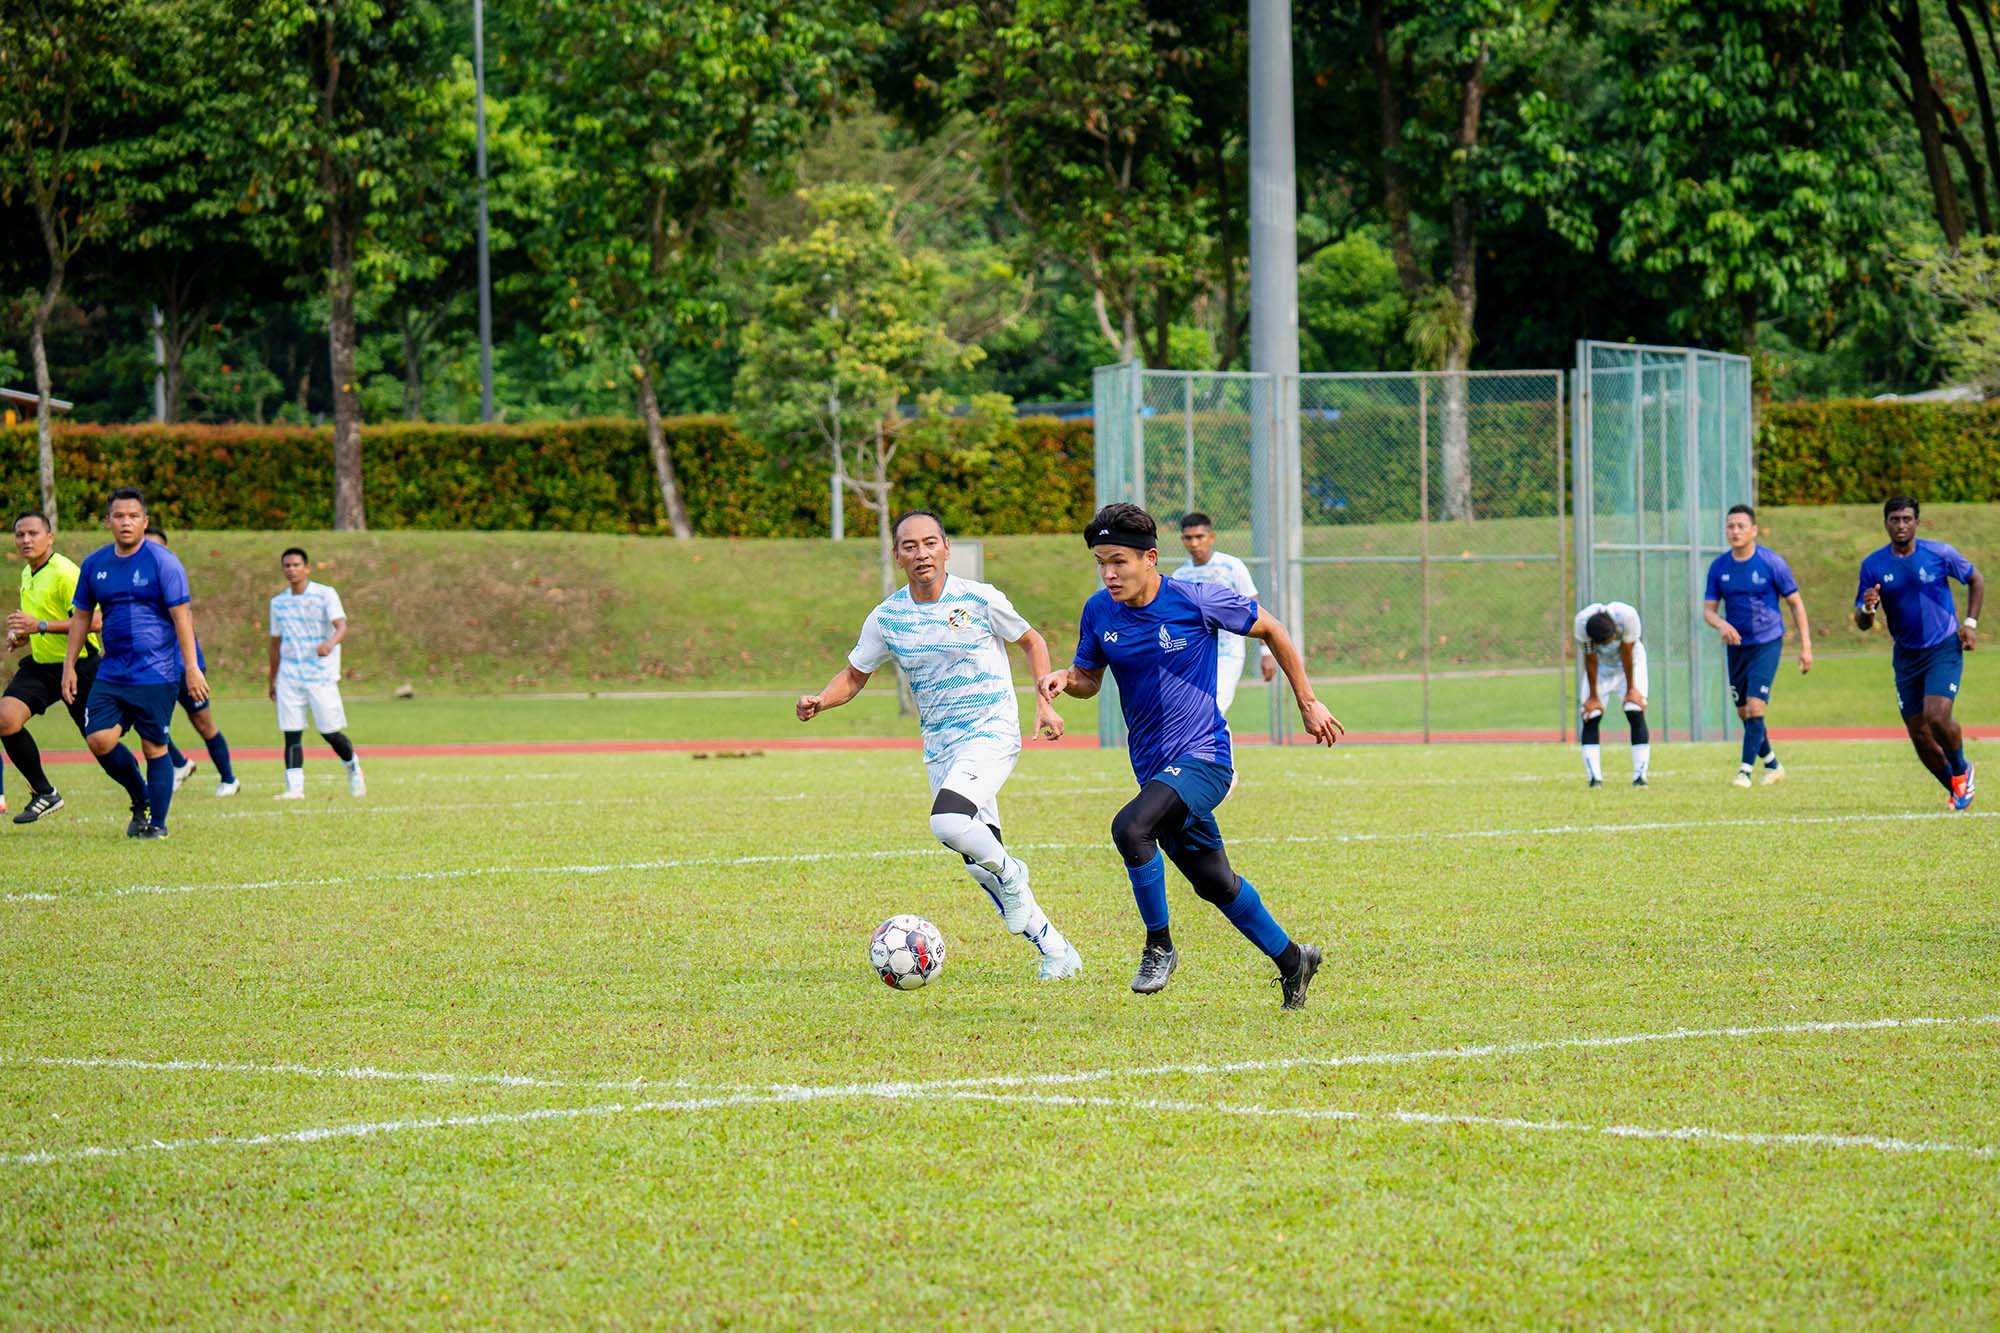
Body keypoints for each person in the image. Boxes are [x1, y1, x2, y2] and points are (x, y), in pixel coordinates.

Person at [1039, 502, 1342, 1009]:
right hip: (1155, 769)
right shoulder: (1098, 610)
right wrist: (1066, 680)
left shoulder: (1195, 599)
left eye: (1119, 561)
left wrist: (1307, 702)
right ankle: (1294, 960)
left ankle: (1159, 946)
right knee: (1215, 883)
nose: (1109, 573)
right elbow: (1090, 679)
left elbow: (1274, 630)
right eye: (1100, 562)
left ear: (1150, 558)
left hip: (1205, 758)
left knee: (1131, 828)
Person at [798, 510, 1082, 980]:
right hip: (941, 747)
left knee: (949, 821)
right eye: (910, 546)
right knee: (977, 863)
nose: (921, 553)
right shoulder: (887, 617)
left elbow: (1031, 640)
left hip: (991, 731)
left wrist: (1045, 702)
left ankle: (1014, 875)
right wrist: (820, 701)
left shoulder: (979, 598)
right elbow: (854, 675)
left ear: (946, 548)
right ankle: (1056, 950)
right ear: (897, 556)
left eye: (930, 543)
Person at [60, 488, 208, 838]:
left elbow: (182, 617)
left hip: (156, 673)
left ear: (145, 521)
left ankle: (156, 824)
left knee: (154, 746)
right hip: (111, 672)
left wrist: (192, 667)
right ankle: (140, 796)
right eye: (118, 516)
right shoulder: (95, 564)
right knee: (98, 739)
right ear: (108, 520)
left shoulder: (163, 562)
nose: (125, 522)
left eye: (132, 516)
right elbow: (81, 617)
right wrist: (69, 666)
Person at [1854, 495, 1983, 809]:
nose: (1901, 525)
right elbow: (1861, 621)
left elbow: (1975, 579)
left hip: (1942, 648)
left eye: (1906, 519)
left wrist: (1969, 623)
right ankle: (1956, 789)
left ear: (1917, 522)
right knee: (1919, 734)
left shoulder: (1939, 553)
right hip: (1906, 656)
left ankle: (1962, 769)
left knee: (1937, 716)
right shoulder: (1873, 565)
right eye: (1894, 519)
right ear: (1885, 523)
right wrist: (1868, 608)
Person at [1, 510, 112, 825]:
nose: (26, 540)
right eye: (20, 534)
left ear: (50, 537)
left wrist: (41, 625)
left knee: (101, 743)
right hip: (41, 667)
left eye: (33, 533)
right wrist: (23, 636)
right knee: (5, 718)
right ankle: (44, 792)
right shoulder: (28, 572)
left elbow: (95, 621)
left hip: (80, 666)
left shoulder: (65, 572)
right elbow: (39, 623)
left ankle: (142, 801)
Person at [1702, 504, 1813, 788]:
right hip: (1736, 647)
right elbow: (1708, 611)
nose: (1735, 531)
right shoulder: (1719, 567)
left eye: (1741, 526)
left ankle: (1745, 771)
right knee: (1743, 712)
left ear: (1753, 530)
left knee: (1754, 707)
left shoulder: (1771, 562)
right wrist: (1721, 625)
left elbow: (1795, 603)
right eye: (1730, 526)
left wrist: (1806, 647)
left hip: (1767, 643)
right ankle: (1773, 764)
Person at [144, 524, 240, 797]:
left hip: (183, 665)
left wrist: (192, 668)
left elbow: (183, 620)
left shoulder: (172, 579)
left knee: (203, 723)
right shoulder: (131, 583)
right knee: (144, 718)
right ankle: (179, 763)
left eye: (157, 547)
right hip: (151, 669)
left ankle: (229, 778)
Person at [269, 546, 363, 799]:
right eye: (287, 565)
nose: (291, 570)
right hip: (290, 675)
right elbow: (275, 644)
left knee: (330, 732)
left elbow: (341, 626)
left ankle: (352, 765)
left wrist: (329, 644)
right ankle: (294, 789)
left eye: (296, 565)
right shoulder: (278, 603)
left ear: (307, 568)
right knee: (291, 732)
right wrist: (273, 679)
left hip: (320, 676)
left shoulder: (325, 595)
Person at [1170, 512, 1274, 713]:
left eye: (1199, 537)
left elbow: (1254, 610)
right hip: (1195, 656)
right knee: (1198, 714)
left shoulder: (1232, 566)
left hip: (1228, 653)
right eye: (1188, 538)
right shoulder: (1180, 576)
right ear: (1182, 540)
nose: (1194, 543)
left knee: (1213, 710)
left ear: (1211, 537)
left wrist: (1266, 652)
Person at [1574, 600, 1651, 787]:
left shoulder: (1628, 616)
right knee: (1591, 714)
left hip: (1631, 662)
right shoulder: (1582, 624)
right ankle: (1595, 779)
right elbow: (1590, 658)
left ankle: (1640, 777)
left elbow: (1627, 653)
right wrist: (1593, 697)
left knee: (1634, 709)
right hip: (1601, 666)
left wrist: (1632, 689)